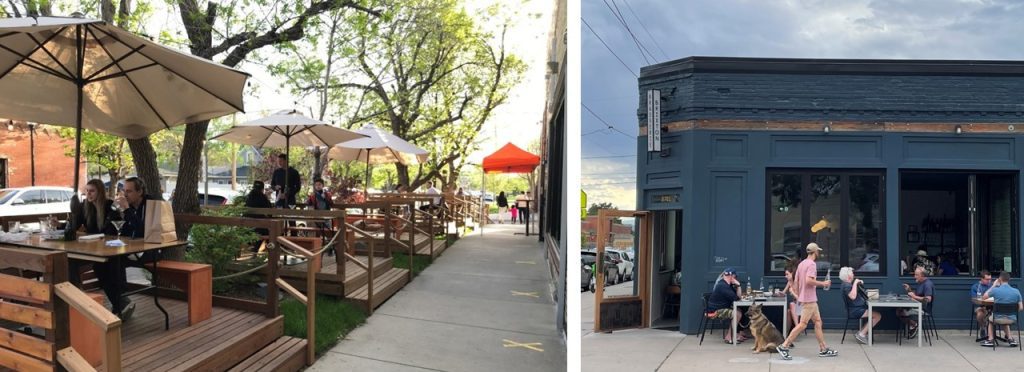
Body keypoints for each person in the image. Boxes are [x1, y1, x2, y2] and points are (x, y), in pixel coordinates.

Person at [777, 243, 838, 359]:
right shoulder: (811, 264)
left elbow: (796, 282)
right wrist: (823, 283)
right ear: (815, 252)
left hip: (809, 299)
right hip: (809, 299)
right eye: (818, 251)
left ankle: (823, 348)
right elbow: (809, 281)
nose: (818, 253)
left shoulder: (802, 264)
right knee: (803, 324)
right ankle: (784, 346)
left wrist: (799, 296)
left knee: (818, 322)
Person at [839, 266, 881, 344]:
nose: (853, 274)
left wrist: (856, 284)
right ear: (848, 276)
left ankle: (861, 333)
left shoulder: (845, 284)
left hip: (855, 309)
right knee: (877, 315)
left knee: (875, 314)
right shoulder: (847, 286)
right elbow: (852, 296)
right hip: (855, 311)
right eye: (852, 273)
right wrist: (855, 283)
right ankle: (862, 334)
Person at [707, 267, 748, 344]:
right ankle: (730, 337)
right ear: (732, 276)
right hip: (716, 311)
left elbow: (737, 297)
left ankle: (733, 334)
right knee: (737, 313)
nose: (736, 279)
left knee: (739, 310)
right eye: (735, 277)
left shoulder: (726, 285)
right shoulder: (723, 286)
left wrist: (737, 286)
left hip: (721, 307)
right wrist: (738, 285)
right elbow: (737, 298)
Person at [980, 271, 1023, 347]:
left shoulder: (995, 290)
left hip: (998, 318)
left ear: (999, 279)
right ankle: (1010, 339)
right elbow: (1021, 307)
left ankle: (990, 340)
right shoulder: (1016, 291)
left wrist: (993, 285)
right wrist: (1012, 313)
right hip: (1012, 318)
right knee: (1004, 318)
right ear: (1009, 279)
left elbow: (984, 297)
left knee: (991, 319)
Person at [899, 267, 935, 339]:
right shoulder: (920, 283)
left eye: (916, 275)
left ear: (922, 275)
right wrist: (909, 290)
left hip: (924, 310)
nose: (914, 276)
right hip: (917, 307)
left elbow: (928, 299)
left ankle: (914, 325)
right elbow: (917, 295)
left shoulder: (927, 284)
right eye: (915, 274)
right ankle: (913, 325)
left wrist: (914, 296)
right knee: (899, 310)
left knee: (901, 312)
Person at [972, 270, 993, 340]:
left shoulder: (993, 286)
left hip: (992, 307)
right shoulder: (975, 287)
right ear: (981, 279)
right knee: (980, 314)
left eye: (990, 279)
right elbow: (975, 300)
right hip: (980, 307)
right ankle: (983, 327)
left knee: (1004, 313)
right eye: (987, 279)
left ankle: (1007, 334)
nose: (989, 281)